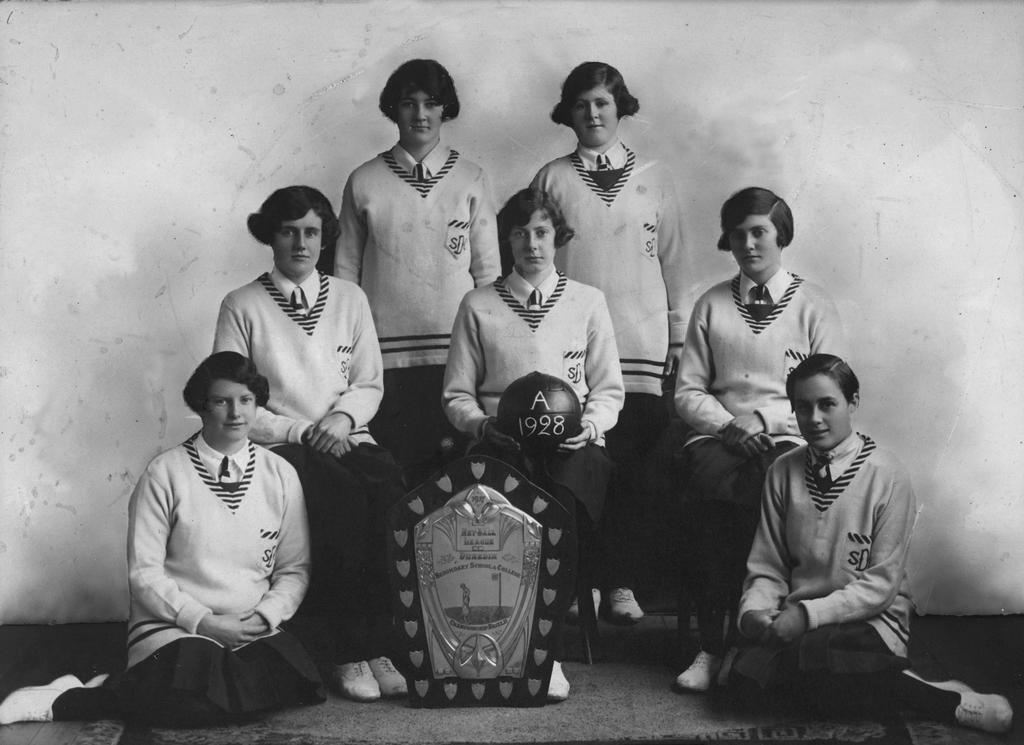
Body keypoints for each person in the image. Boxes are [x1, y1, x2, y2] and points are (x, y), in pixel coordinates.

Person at [0, 352, 323, 728]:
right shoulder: (165, 472)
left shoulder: (280, 475)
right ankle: (63, 700)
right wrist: (203, 621)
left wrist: (264, 616)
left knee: (288, 684)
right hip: (176, 627)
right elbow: (145, 574)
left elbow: (294, 568)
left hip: (248, 627)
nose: (236, 413)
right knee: (196, 704)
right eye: (222, 401)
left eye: (246, 400)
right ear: (202, 408)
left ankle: (121, 686)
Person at [728, 354, 1013, 735]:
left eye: (827, 404)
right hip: (799, 620)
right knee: (744, 685)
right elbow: (768, 567)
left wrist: (808, 616)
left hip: (869, 619)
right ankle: (905, 683)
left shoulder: (887, 474)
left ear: (853, 403)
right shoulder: (782, 472)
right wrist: (756, 612)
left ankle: (947, 703)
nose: (813, 418)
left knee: (821, 665)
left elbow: (880, 585)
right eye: (802, 407)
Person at [213, 186, 406, 703]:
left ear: (325, 238)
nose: (301, 243)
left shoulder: (350, 298)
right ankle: (347, 650)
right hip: (282, 446)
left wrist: (342, 419)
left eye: (312, 232)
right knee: (338, 499)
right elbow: (231, 397)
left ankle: (381, 643)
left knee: (392, 491)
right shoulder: (243, 304)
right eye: (288, 231)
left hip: (347, 436)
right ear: (270, 236)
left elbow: (368, 382)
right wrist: (302, 431)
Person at [443, 187, 625, 701]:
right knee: (498, 512)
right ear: (507, 241)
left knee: (560, 505)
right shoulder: (478, 303)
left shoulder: (588, 300)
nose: (532, 244)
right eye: (520, 234)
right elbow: (456, 394)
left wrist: (589, 426)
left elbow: (609, 388)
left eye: (541, 232)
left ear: (557, 238)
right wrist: (481, 426)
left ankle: (548, 653)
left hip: (572, 442)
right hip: (502, 440)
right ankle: (498, 639)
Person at [532, 61, 690, 624]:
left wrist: (675, 335)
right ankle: (581, 584)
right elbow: (537, 264)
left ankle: (621, 584)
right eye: (581, 105)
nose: (593, 114)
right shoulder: (552, 178)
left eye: (602, 102)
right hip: (574, 348)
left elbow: (676, 263)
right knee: (578, 469)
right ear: (567, 113)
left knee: (634, 474)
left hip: (642, 346)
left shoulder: (656, 176)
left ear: (620, 106)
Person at [673, 186, 847, 691]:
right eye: (738, 234)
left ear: (780, 236)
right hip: (719, 438)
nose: (748, 244)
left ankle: (763, 643)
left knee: (775, 490)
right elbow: (688, 392)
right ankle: (711, 646)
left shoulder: (812, 304)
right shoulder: (710, 304)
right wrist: (729, 424)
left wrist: (767, 421)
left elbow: (831, 388)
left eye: (759, 232)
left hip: (791, 436)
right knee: (709, 496)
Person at [336, 58, 500, 486]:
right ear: (394, 110)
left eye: (431, 103)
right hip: (386, 356)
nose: (421, 114)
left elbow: (488, 273)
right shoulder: (364, 181)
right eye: (408, 104)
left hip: (457, 354)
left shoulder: (471, 178)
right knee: (400, 475)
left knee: (457, 476)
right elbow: (345, 275)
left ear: (445, 109)